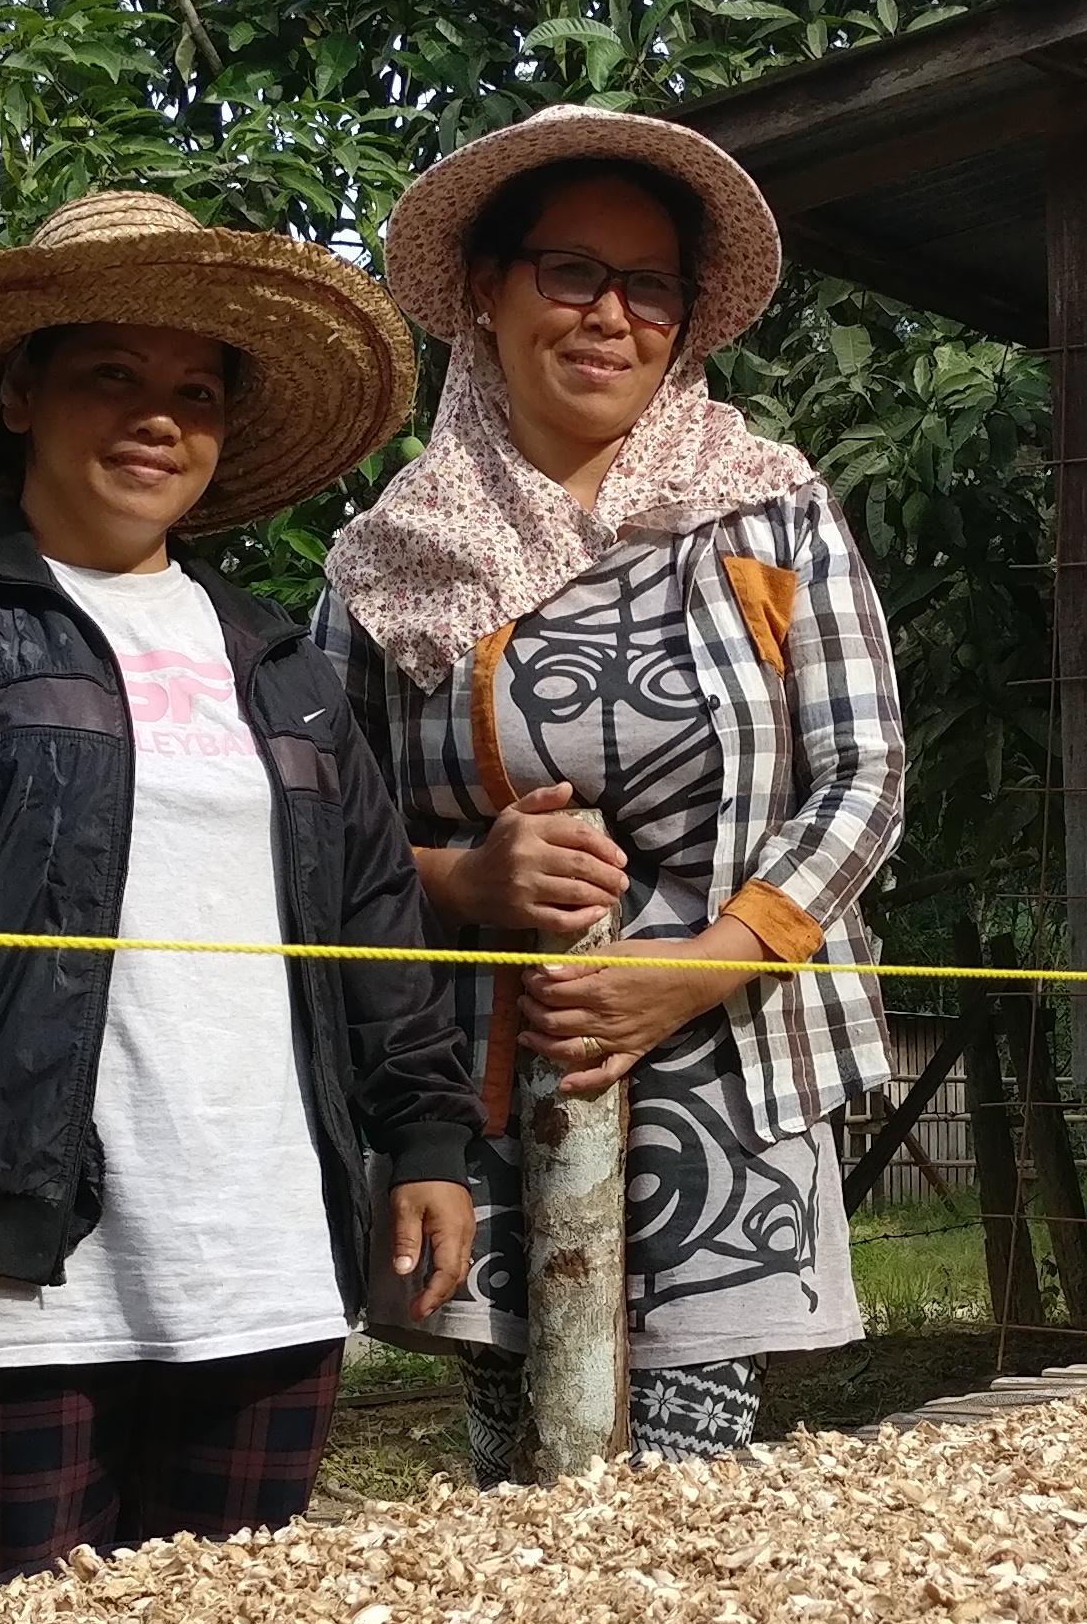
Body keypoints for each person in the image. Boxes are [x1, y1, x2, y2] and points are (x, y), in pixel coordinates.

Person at [0, 189, 476, 1590]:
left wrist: (429, 1136)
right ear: (20, 391)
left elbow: (373, 923)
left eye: (196, 391)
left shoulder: (282, 667)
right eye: (113, 376)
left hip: (258, 1249)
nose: (159, 418)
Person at [318, 106, 908, 1478]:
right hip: (480, 1081)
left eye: (649, 287)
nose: (610, 317)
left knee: (687, 1500)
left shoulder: (767, 512)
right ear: (487, 289)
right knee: (512, 1477)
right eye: (570, 271)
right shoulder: (391, 555)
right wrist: (461, 877)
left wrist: (704, 962)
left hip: (728, 1067)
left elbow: (865, 769)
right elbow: (316, 822)